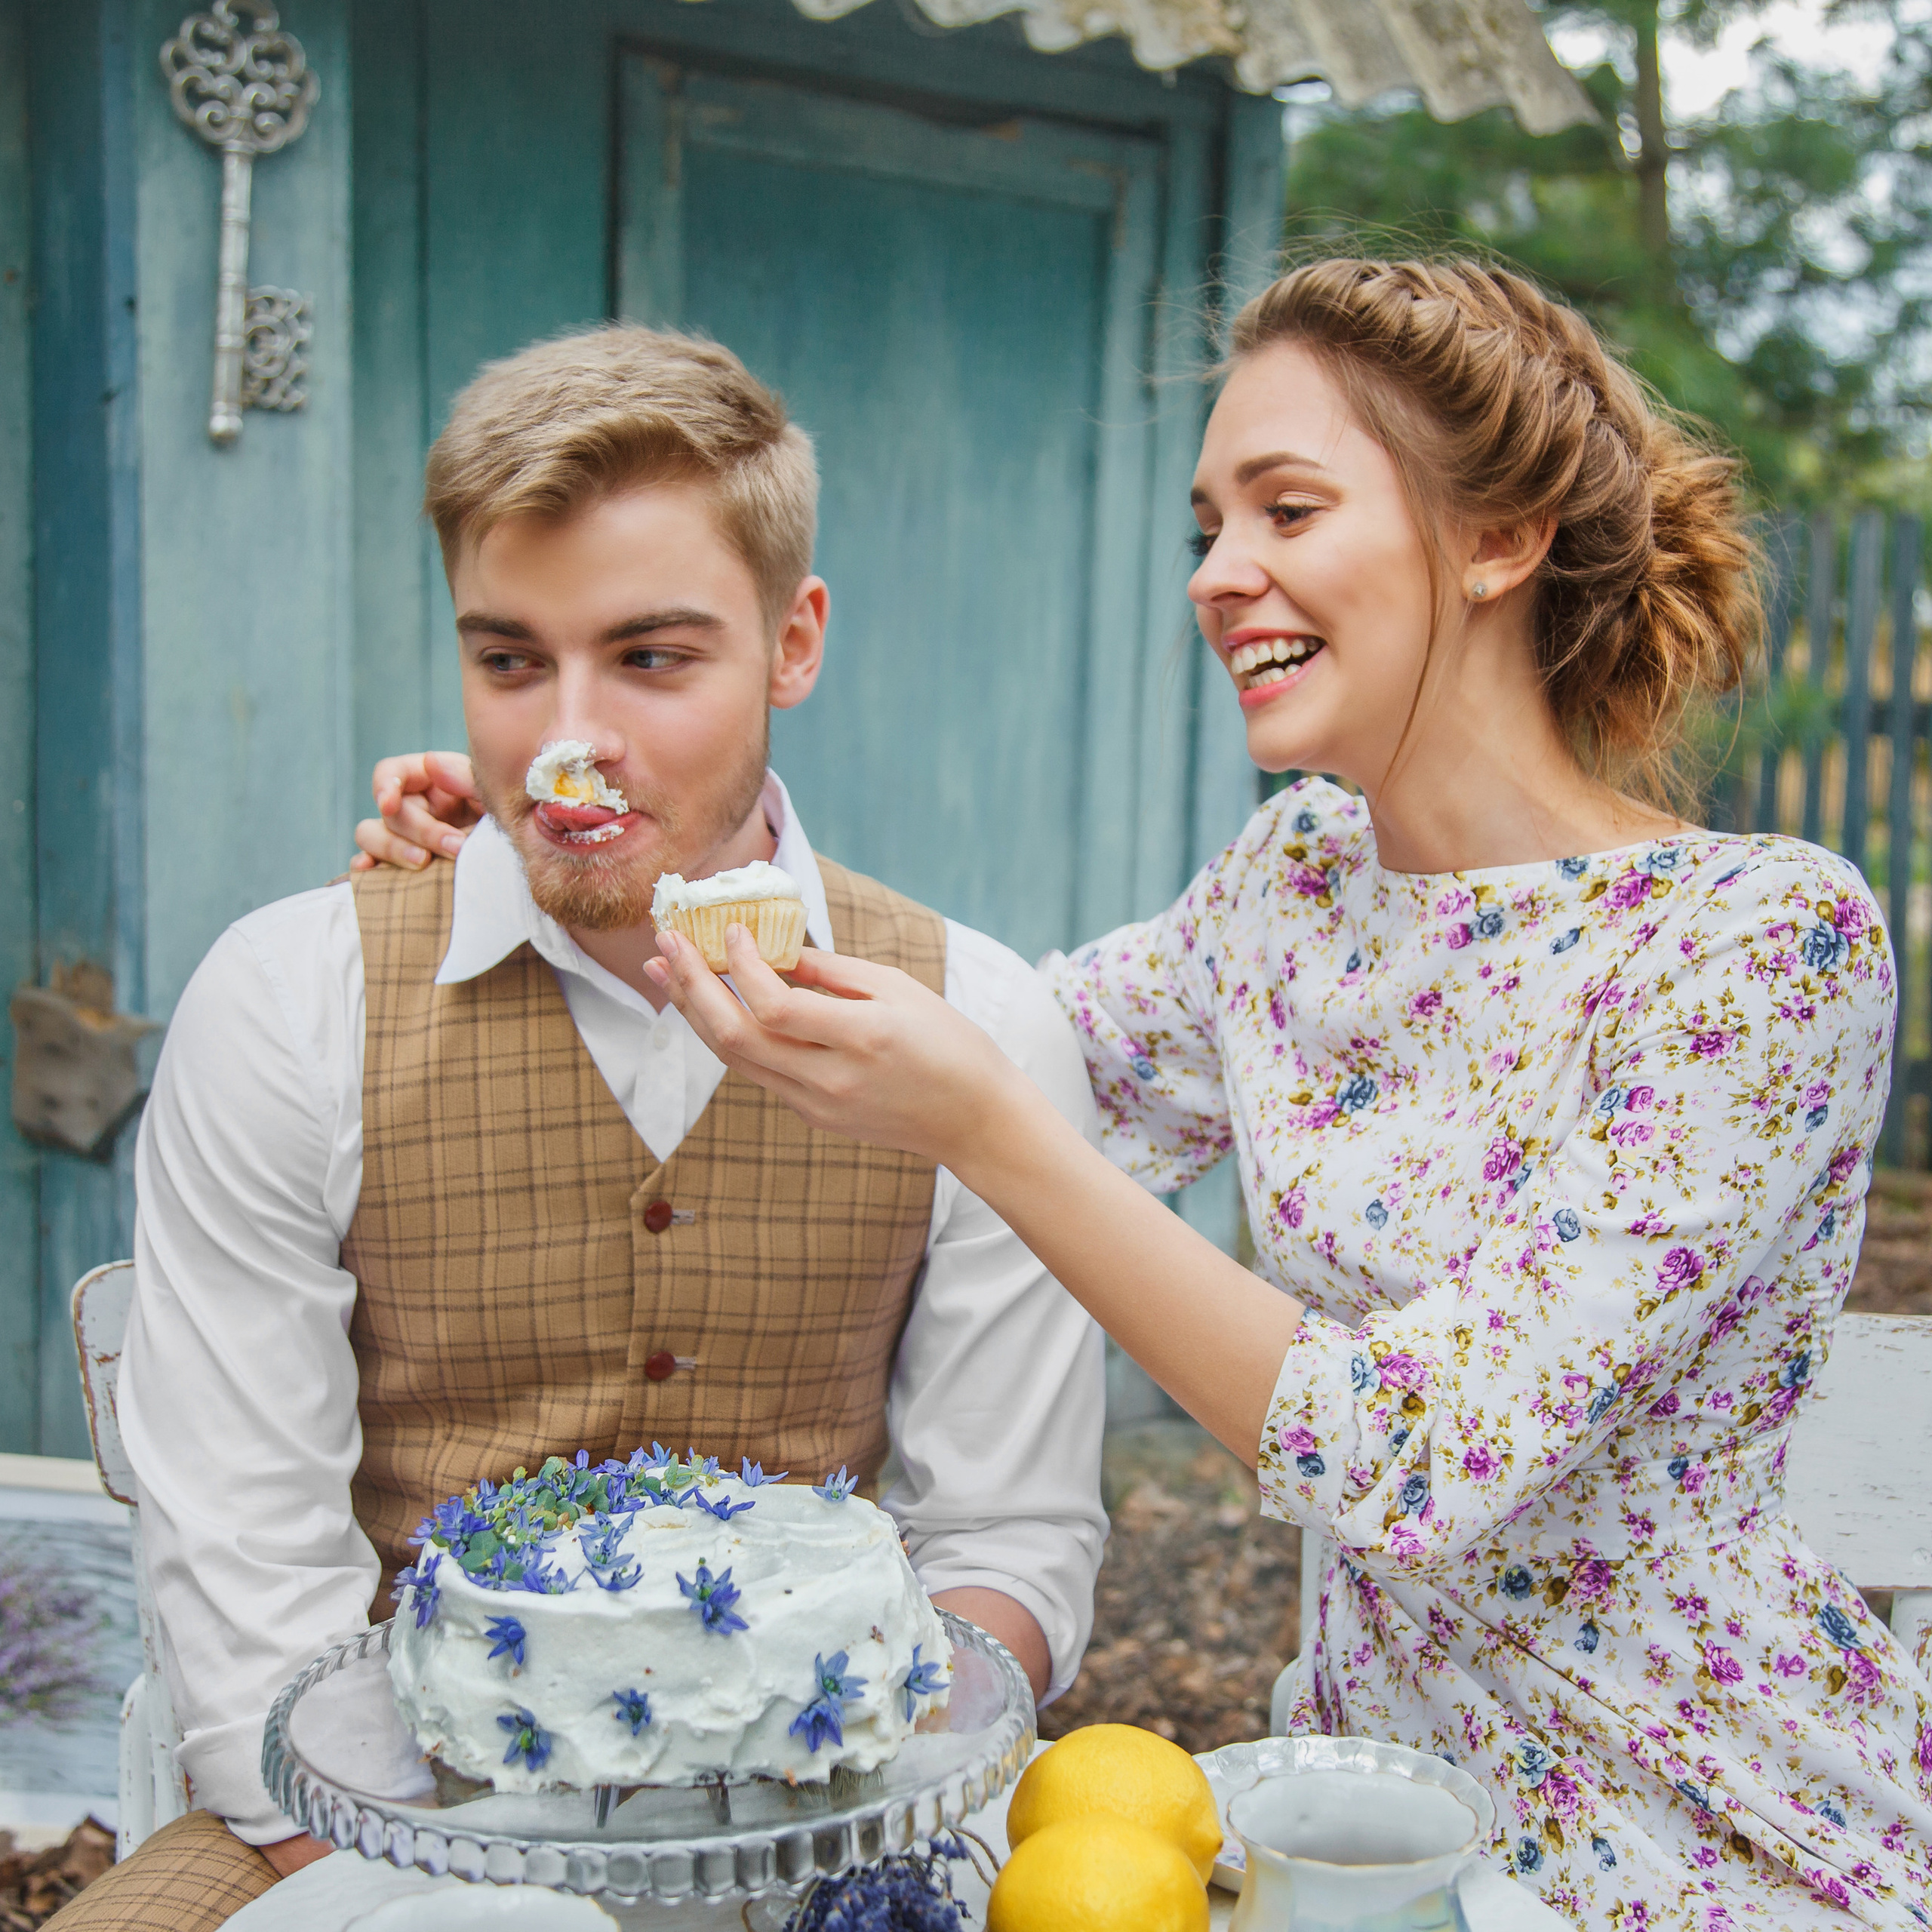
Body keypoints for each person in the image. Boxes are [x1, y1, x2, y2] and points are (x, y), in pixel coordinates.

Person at [370, 259, 1932, 1927]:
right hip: (1355, 1822)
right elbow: (962, 1031)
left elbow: (1418, 1454)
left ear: (1494, 539)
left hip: (1692, 1829)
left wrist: (984, 1124)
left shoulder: (1760, 944)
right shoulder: (1296, 885)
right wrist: (586, 823)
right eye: (1207, 519)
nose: (1216, 571)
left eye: (1284, 507)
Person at [80, 328, 1105, 1929]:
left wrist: (861, 1802)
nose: (567, 747)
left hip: (828, 1828)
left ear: (793, 639)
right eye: (508, 662)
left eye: (649, 659)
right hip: (349, 1825)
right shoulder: (286, 1002)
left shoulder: (983, 1025)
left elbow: (1006, 1533)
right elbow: (248, 1586)